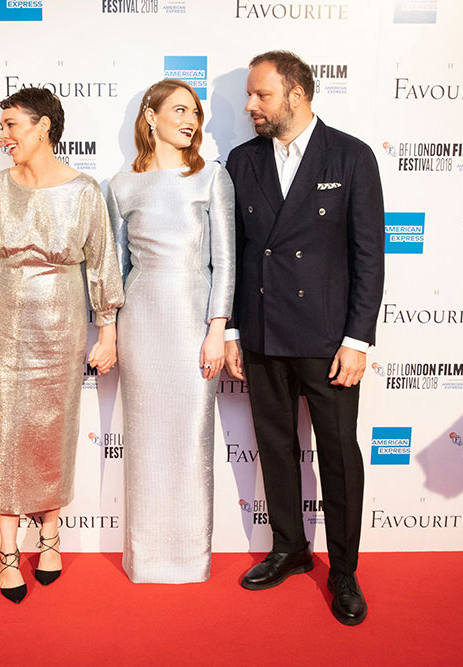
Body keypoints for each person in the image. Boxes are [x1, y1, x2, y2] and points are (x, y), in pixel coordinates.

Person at [0, 87, 123, 603]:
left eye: (10, 125)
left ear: (43, 126)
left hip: (62, 324)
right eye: (0, 128)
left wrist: (107, 330)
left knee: (53, 430)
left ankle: (49, 538)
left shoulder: (84, 191)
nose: (2, 138)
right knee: (5, 431)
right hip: (6, 323)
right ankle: (7, 551)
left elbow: (102, 264)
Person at [223, 51, 384, 625]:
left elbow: (369, 256)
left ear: (296, 94)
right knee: (274, 447)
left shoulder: (351, 155)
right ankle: (289, 548)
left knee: (338, 456)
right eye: (249, 94)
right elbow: (236, 254)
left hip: (327, 340)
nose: (250, 105)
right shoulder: (242, 160)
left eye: (261, 95)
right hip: (263, 332)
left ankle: (344, 571)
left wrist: (357, 340)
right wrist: (234, 328)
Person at [107, 79, 235, 583]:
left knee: (190, 441)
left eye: (195, 113)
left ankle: (188, 558)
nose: (191, 121)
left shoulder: (210, 177)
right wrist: (109, 331)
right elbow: (115, 270)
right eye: (180, 110)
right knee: (144, 442)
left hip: (192, 321)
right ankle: (146, 558)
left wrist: (217, 329)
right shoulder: (121, 185)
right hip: (141, 321)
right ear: (150, 116)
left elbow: (225, 262)